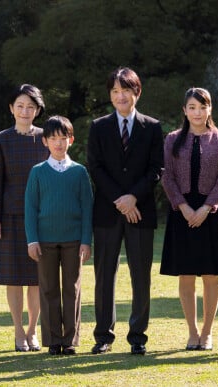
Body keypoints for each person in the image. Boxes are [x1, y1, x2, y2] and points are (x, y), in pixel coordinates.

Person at [86, 67, 164, 355]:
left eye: (125, 90)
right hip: (107, 213)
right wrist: (121, 199)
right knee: (104, 275)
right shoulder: (99, 126)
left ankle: (138, 336)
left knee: (140, 276)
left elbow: (157, 169)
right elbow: (95, 167)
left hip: (140, 212)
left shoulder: (152, 127)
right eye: (115, 91)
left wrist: (133, 198)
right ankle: (103, 336)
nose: (120, 96)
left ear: (136, 92)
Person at [160, 87, 218, 351]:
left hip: (210, 214)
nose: (197, 112)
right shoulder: (172, 140)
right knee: (186, 275)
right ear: (184, 110)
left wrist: (206, 208)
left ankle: (207, 332)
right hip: (182, 213)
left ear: (209, 109)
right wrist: (183, 206)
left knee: (211, 276)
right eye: (192, 107)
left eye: (202, 107)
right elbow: (167, 176)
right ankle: (191, 332)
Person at [0, 84, 49, 352]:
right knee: (13, 278)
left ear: (38, 110)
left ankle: (33, 330)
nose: (25, 111)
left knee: (37, 278)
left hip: (41, 217)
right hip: (10, 217)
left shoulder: (47, 137)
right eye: (20, 106)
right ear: (11, 108)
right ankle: (17, 331)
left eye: (31, 107)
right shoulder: (0, 139)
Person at [25, 115, 93, 356]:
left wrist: (86, 240)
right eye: (53, 138)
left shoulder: (79, 172)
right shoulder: (37, 172)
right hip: (44, 241)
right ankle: (54, 340)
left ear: (71, 140)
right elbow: (30, 208)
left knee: (72, 289)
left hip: (74, 240)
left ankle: (70, 340)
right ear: (45, 141)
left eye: (63, 138)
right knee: (48, 288)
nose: (58, 143)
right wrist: (32, 239)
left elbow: (88, 208)